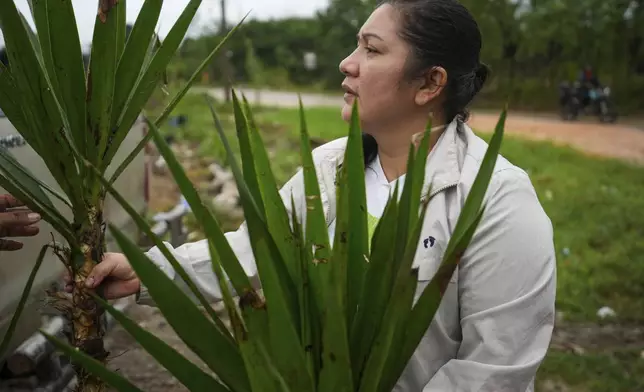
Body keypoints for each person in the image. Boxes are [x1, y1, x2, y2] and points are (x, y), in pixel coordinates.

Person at [69, 0, 556, 390]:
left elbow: (495, 372)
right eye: (355, 46)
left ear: (430, 82)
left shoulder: (496, 199)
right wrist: (146, 269)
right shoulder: (331, 168)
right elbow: (254, 251)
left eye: (372, 49)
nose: (347, 64)